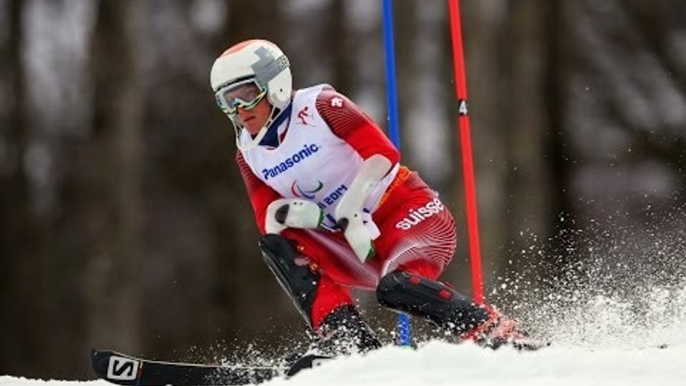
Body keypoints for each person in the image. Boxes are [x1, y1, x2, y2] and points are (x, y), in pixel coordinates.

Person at [209, 39, 537, 356]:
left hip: (407, 211)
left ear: (274, 84)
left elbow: (382, 153)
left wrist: (352, 204)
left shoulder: (322, 106)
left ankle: (495, 331)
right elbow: (269, 219)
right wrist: (307, 215)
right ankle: (347, 339)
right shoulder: (249, 156)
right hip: (352, 243)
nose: (239, 111)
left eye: (248, 95)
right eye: (227, 101)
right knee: (274, 245)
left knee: (396, 286)